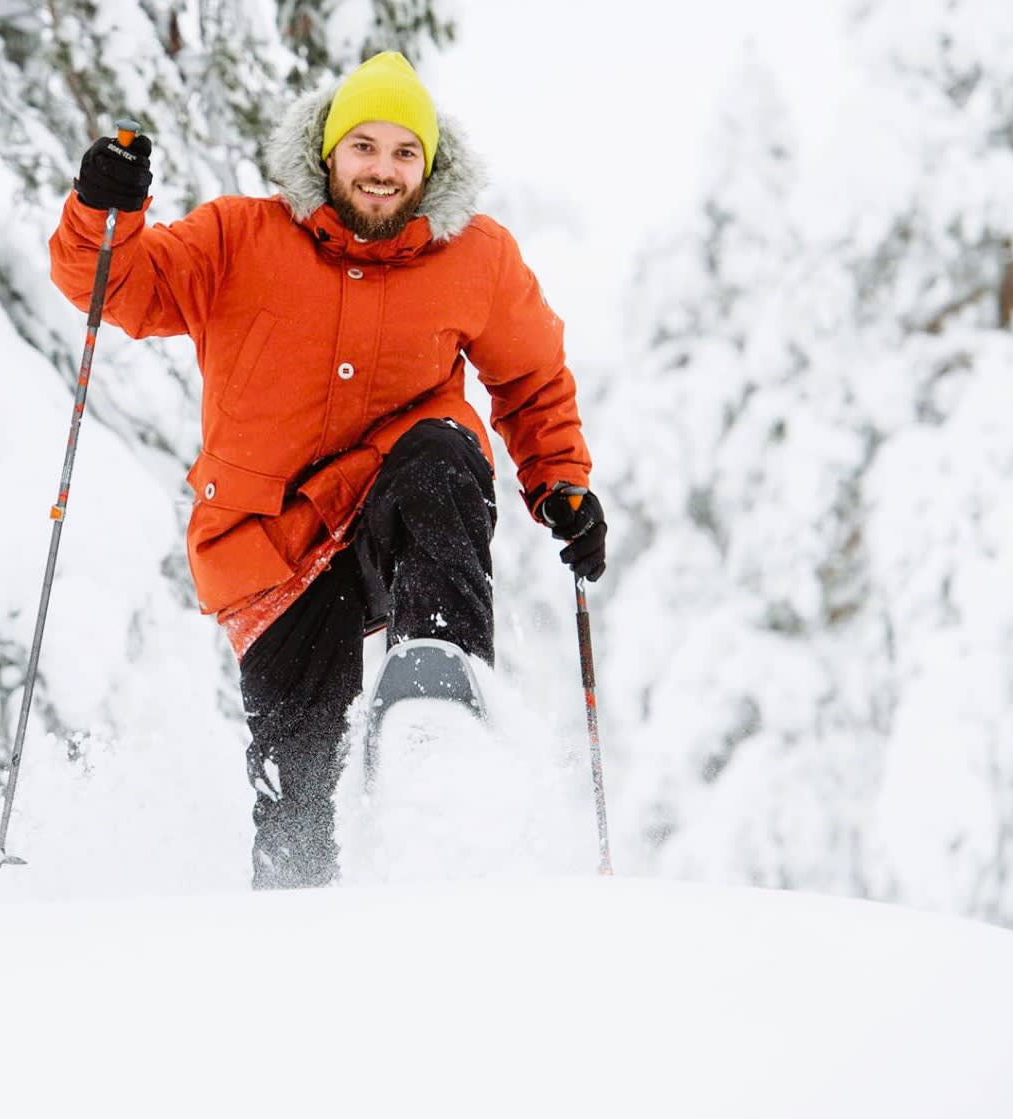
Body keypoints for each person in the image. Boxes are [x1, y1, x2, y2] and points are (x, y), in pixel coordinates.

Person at [49, 51, 606, 889]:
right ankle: (292, 925)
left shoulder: (475, 257)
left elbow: (528, 379)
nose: (383, 170)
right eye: (365, 148)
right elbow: (116, 286)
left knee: (442, 452)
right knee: (296, 787)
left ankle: (436, 701)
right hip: (267, 547)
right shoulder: (240, 236)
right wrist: (104, 210)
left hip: (393, 498)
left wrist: (558, 479)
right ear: (327, 153)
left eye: (403, 153)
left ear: (430, 165)